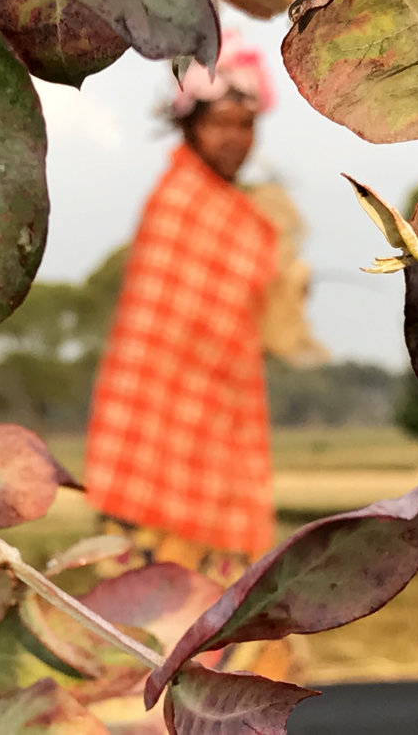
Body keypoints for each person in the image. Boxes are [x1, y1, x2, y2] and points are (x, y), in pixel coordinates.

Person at [84, 31, 319, 591]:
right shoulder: (177, 203)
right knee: (138, 613)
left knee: (216, 613)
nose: (236, 139)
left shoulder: (248, 218)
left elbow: (255, 317)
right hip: (151, 433)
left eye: (246, 124)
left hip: (221, 425)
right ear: (189, 125)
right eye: (220, 124)